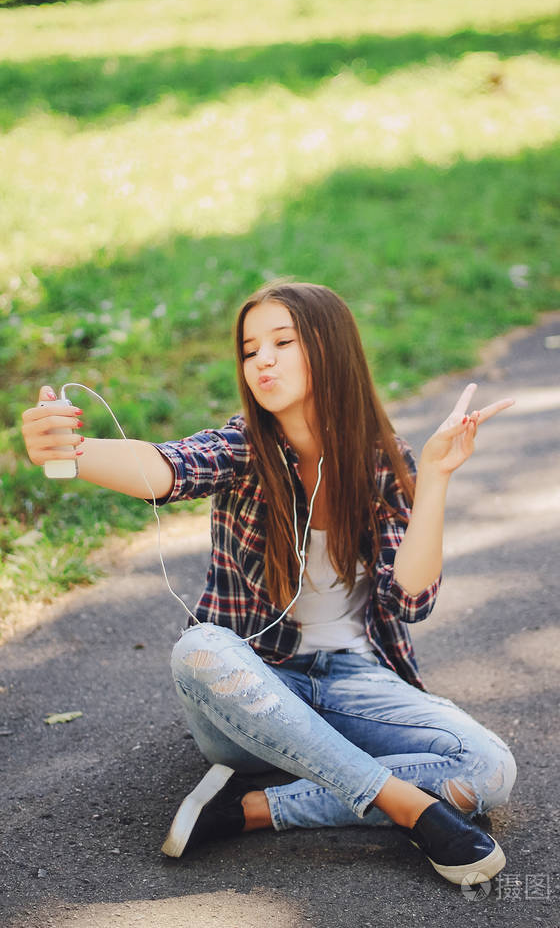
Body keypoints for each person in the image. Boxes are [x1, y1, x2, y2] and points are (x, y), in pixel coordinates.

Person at [21, 280, 517, 887]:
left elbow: (411, 600)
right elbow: (168, 467)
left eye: (282, 342)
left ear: (331, 350)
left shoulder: (387, 461)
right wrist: (70, 450)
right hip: (249, 695)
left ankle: (257, 809)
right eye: (250, 350)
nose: (262, 360)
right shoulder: (244, 447)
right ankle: (406, 805)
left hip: (351, 682)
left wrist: (436, 478)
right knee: (200, 647)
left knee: (489, 768)